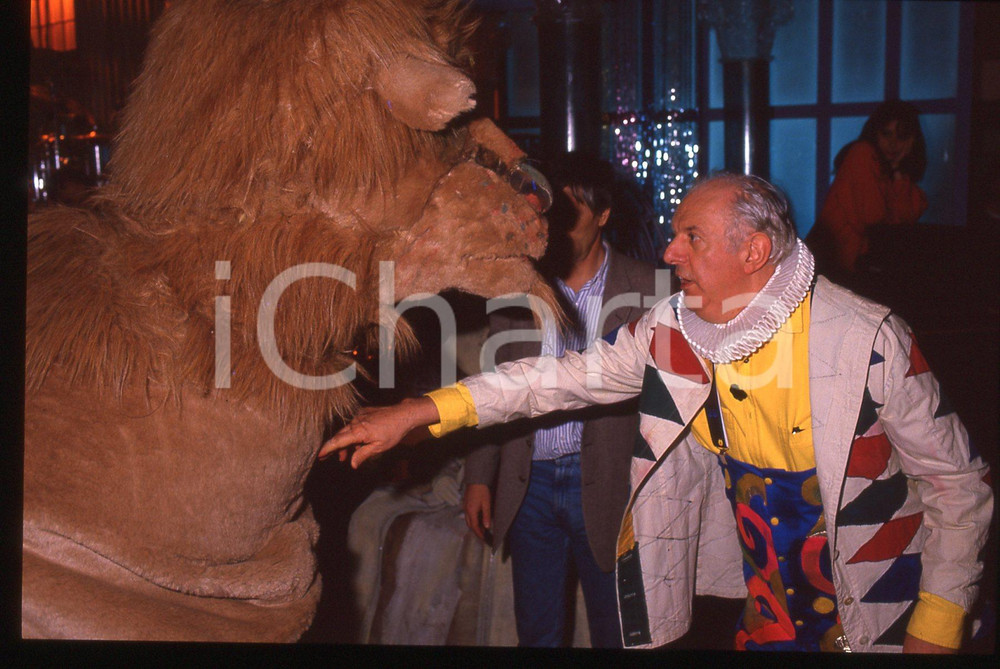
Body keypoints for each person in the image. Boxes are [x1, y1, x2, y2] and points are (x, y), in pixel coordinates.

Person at [320, 173, 992, 653]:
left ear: (754, 252)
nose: (670, 253)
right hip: (770, 616)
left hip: (885, 609)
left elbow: (959, 487)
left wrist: (935, 628)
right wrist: (424, 410)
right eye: (673, 235)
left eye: (691, 237)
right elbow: (559, 379)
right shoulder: (676, 329)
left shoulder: (870, 339)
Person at [462, 152, 657, 647]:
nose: (559, 228)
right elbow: (495, 382)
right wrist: (480, 477)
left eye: (575, 213)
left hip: (611, 484)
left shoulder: (649, 290)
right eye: (552, 214)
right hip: (531, 483)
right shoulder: (517, 287)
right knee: (539, 631)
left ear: (605, 214)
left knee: (618, 630)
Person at [808, 100, 928, 280]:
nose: (893, 143)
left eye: (902, 137)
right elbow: (875, 218)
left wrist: (898, 174)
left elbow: (907, 218)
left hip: (851, 269)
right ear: (875, 133)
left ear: (912, 141)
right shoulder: (861, 154)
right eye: (886, 134)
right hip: (830, 266)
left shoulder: (894, 175)